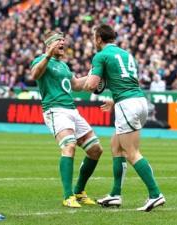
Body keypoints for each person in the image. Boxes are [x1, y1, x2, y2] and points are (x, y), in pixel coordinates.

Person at [83, 24, 165, 212]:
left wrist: (87, 82)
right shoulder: (126, 54)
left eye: (93, 37)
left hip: (127, 105)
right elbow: (127, 82)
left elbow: (92, 85)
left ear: (98, 39)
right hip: (138, 100)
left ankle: (155, 194)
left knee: (131, 152)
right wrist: (113, 99)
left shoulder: (100, 56)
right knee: (116, 146)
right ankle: (115, 194)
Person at [30, 31, 103, 208]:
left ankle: (78, 191)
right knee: (69, 146)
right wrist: (47, 56)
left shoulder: (63, 66)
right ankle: (67, 195)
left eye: (63, 40)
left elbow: (77, 85)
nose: (63, 42)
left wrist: (96, 74)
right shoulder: (41, 59)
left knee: (96, 150)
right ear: (49, 45)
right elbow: (34, 75)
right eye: (58, 40)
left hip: (72, 110)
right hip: (55, 110)